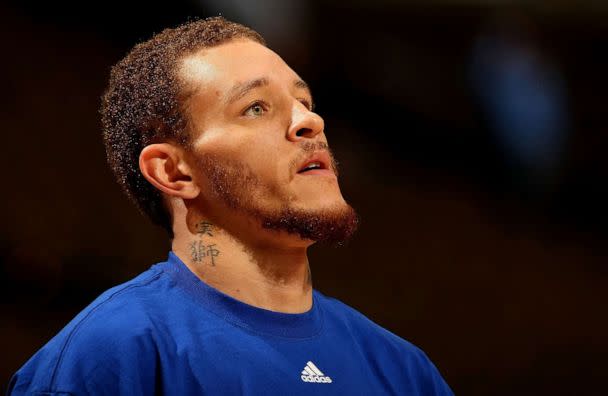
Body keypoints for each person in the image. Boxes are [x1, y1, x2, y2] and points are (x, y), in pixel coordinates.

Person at [8, 17, 453, 395]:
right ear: (173, 172)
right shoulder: (112, 354)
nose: (309, 121)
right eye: (256, 108)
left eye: (304, 102)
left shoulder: (405, 372)